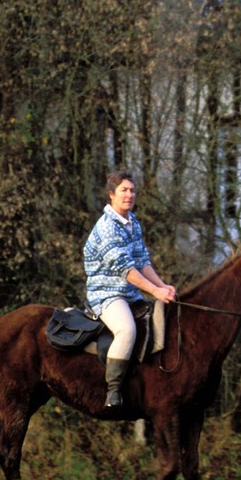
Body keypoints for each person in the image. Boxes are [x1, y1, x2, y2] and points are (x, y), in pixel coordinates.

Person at [83, 170, 176, 408]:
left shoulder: (132, 223)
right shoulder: (107, 227)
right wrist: (154, 292)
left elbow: (142, 262)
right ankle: (113, 390)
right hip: (106, 294)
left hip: (129, 294)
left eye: (132, 190)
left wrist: (162, 286)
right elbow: (126, 270)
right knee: (127, 330)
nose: (129, 195)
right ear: (111, 194)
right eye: (123, 190)